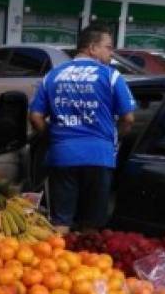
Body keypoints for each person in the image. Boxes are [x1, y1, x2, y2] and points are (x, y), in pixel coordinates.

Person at [28, 25, 135, 232]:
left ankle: (58, 259)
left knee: (61, 222)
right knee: (92, 226)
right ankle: (87, 260)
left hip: (63, 155)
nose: (111, 54)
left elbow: (35, 117)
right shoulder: (111, 76)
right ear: (92, 48)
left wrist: (53, 136)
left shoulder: (53, 76)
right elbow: (128, 119)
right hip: (100, 156)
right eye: (108, 47)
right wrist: (113, 136)